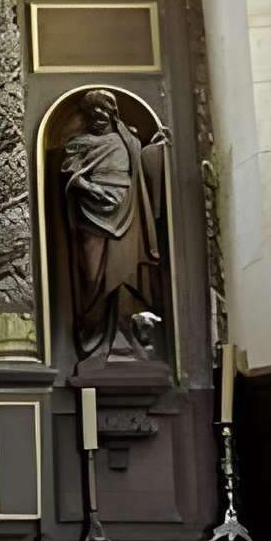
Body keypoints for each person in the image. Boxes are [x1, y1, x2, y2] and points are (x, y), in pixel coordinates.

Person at [61, 87, 168, 360]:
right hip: (92, 215)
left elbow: (143, 166)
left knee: (125, 275)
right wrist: (93, 190)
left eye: (102, 111)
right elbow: (70, 176)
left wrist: (156, 149)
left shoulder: (128, 140)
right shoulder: (79, 143)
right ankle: (95, 340)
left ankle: (125, 339)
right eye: (91, 111)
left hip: (126, 211)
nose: (97, 116)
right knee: (93, 276)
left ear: (112, 113)